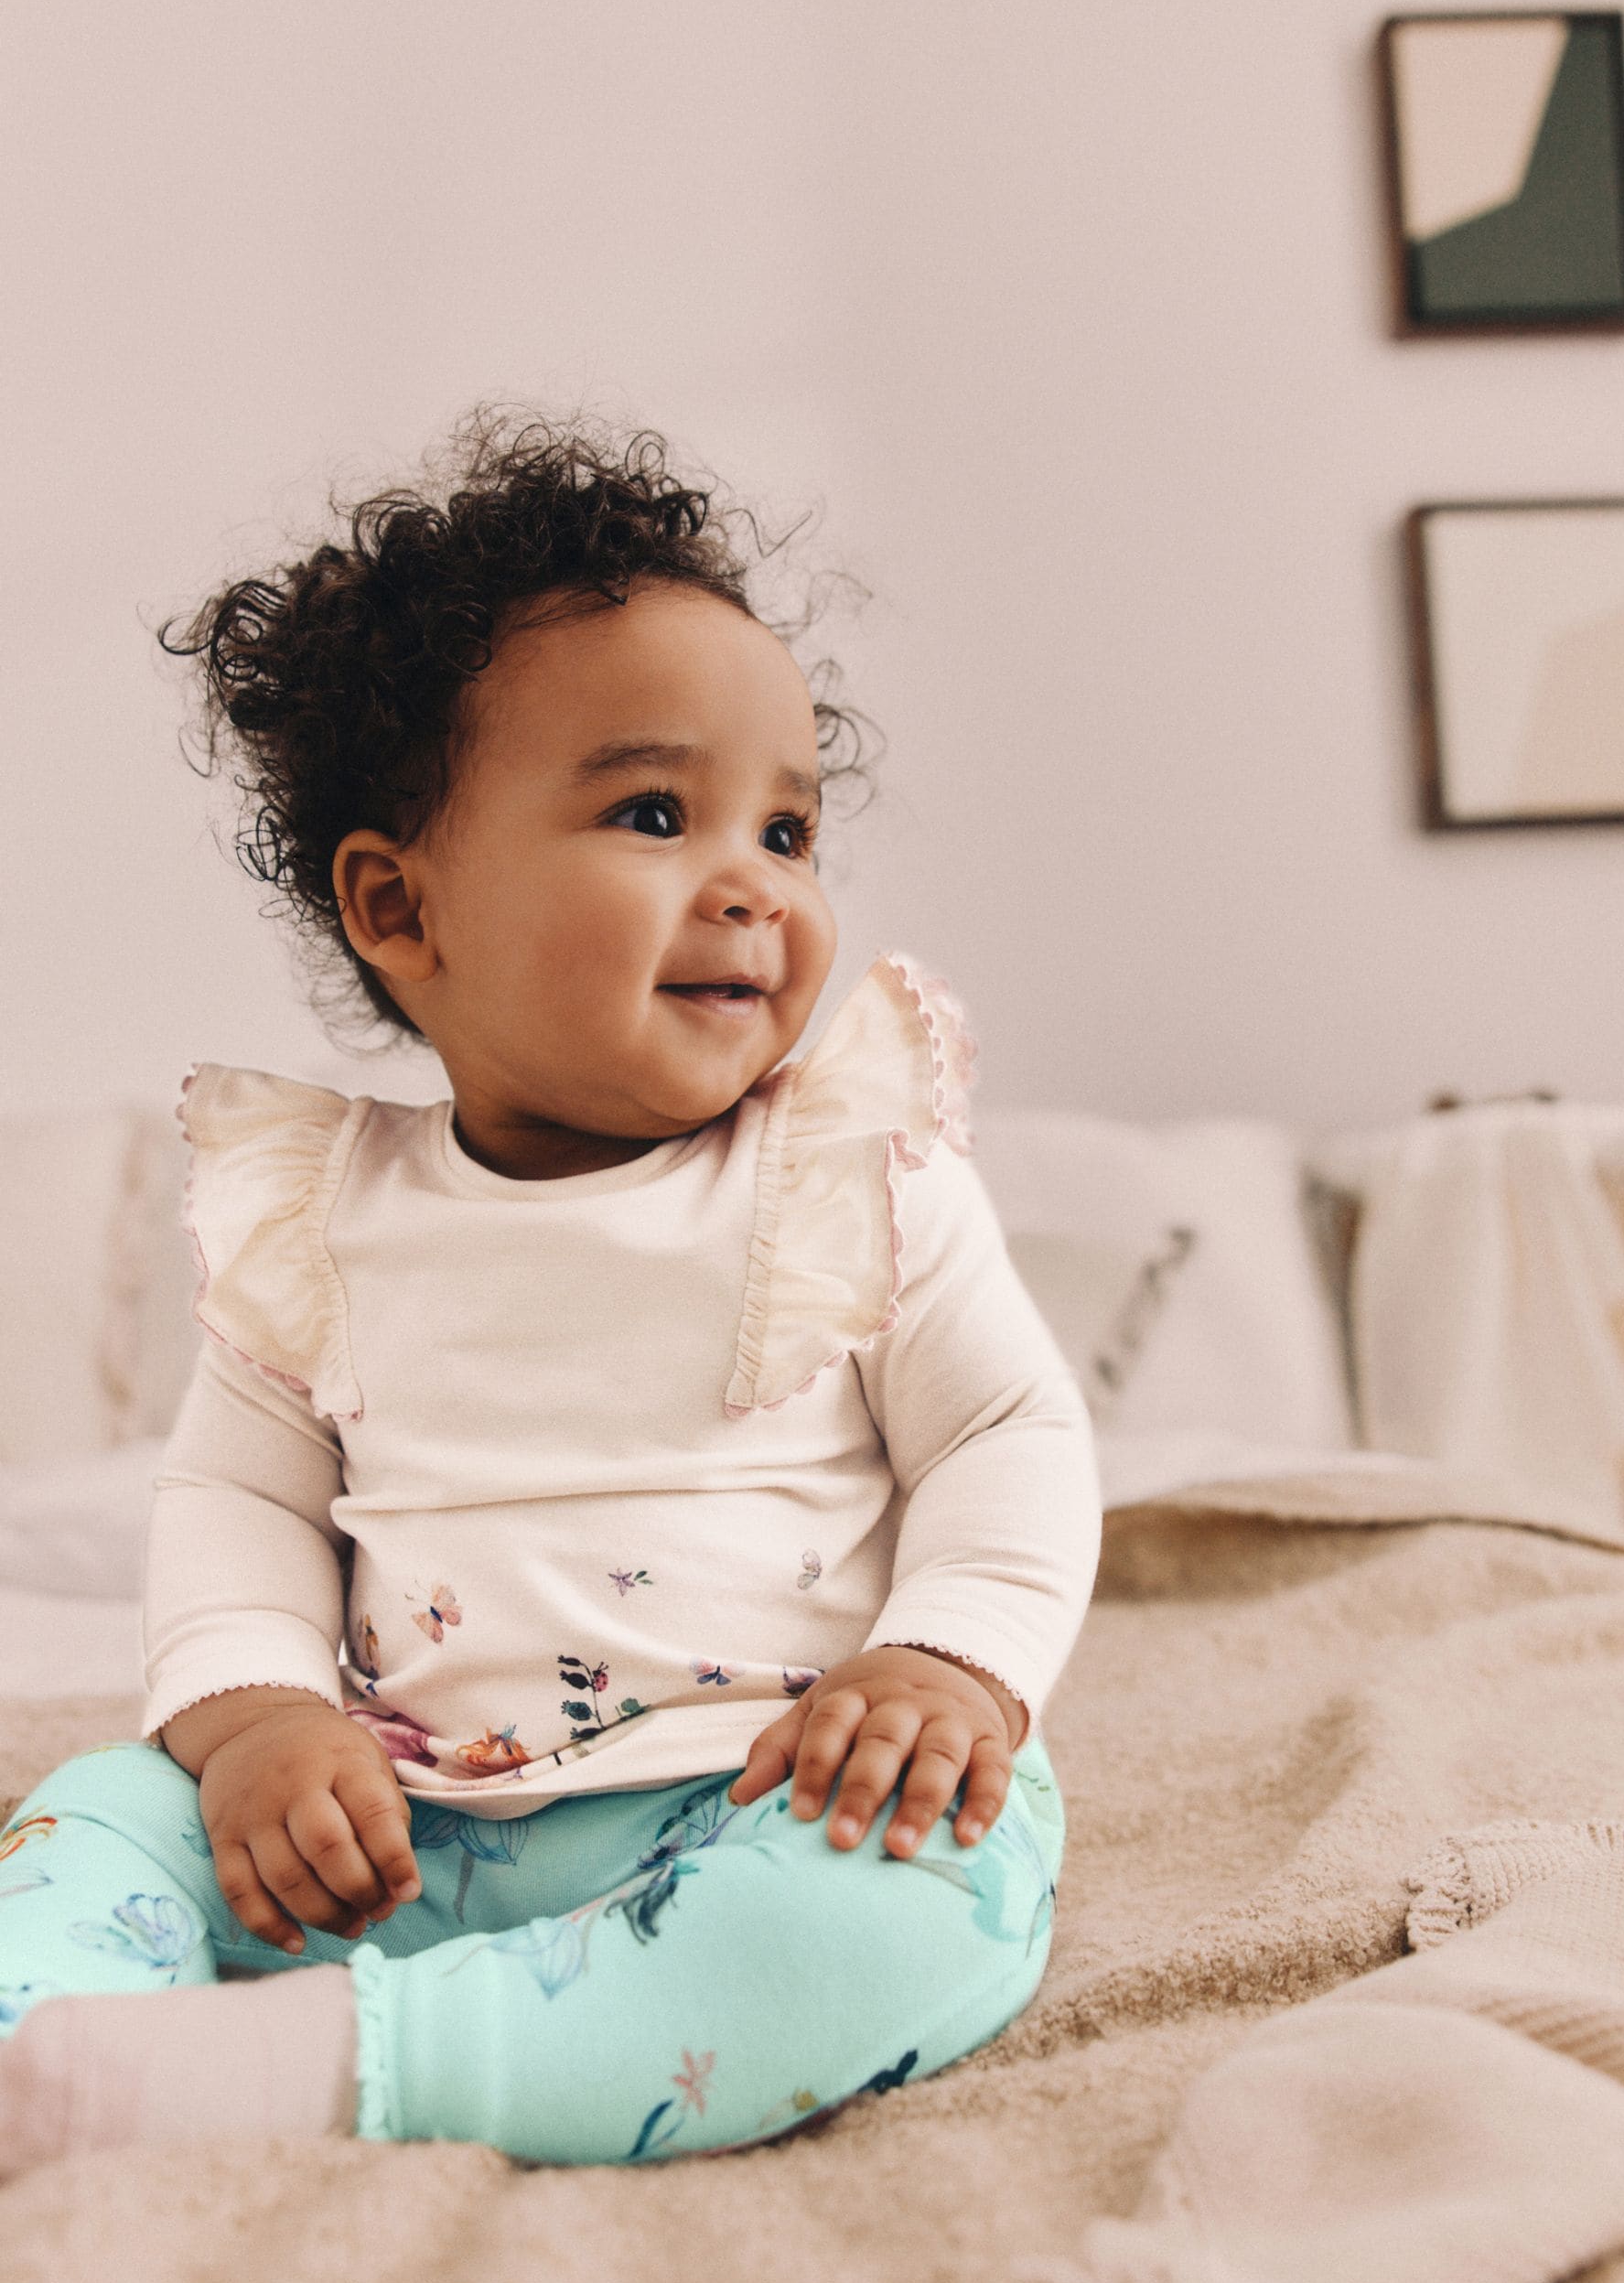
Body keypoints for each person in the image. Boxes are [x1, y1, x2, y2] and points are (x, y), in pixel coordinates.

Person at [0, 411, 1101, 2177]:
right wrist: (261, 1719)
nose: (755, 882)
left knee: (920, 1894)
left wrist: (944, 1663)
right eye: (659, 814)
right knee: (105, 1810)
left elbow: (1006, 1430)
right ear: (400, 908)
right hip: (399, 1816)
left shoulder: (847, 1174)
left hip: (766, 1783)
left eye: (793, 830)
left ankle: (343, 2069)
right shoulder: (323, 1220)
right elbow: (233, 1499)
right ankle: (63, 2036)